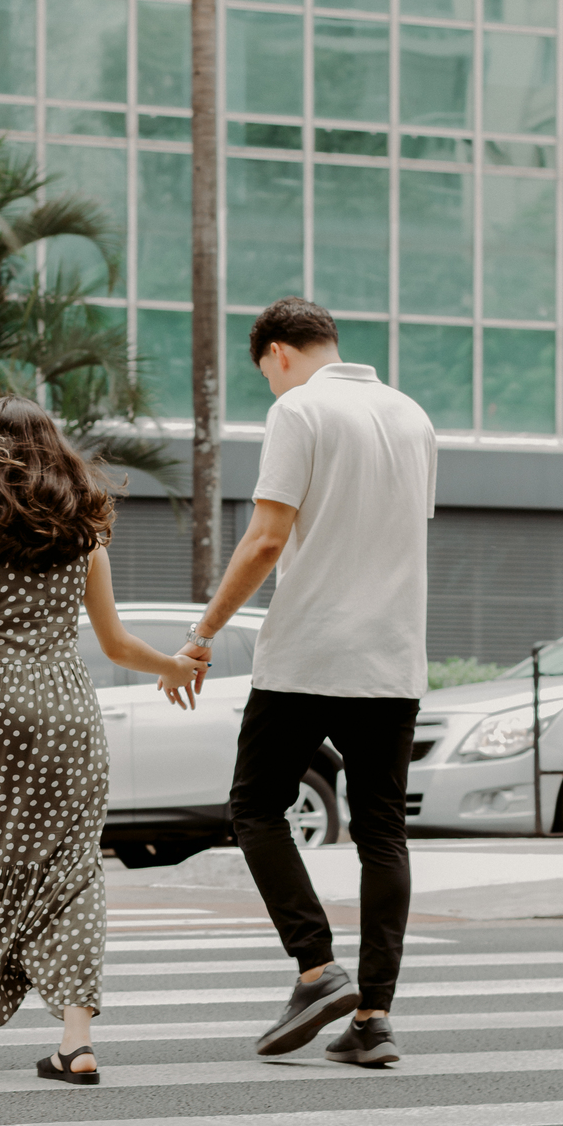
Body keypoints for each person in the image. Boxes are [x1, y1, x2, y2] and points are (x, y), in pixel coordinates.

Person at [0, 395, 201, 1084]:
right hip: (70, 714)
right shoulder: (85, 538)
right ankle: (76, 1043)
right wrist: (172, 666)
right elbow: (114, 642)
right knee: (72, 870)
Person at [167, 297, 437, 1067]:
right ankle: (374, 1019)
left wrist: (202, 634)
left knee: (255, 807)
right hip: (393, 658)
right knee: (383, 832)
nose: (272, 386)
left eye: (266, 374)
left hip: (310, 653)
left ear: (278, 353)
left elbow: (266, 538)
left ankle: (317, 968)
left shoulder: (299, 411)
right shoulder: (413, 417)